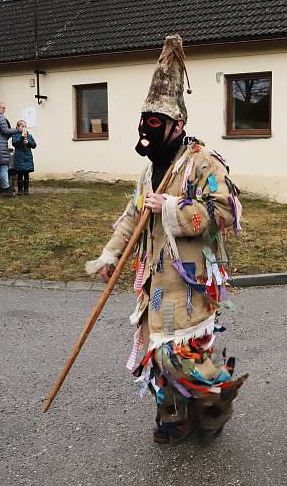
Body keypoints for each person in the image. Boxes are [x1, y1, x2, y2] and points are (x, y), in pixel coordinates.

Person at [86, 34, 246, 445]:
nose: (146, 130)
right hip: (153, 281)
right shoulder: (149, 171)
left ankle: (213, 407)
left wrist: (173, 209)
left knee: (183, 352)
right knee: (157, 349)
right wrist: (110, 254)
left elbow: (225, 211)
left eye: (155, 123)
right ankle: (172, 417)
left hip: (188, 277)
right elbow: (131, 216)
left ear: (178, 125)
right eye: (143, 122)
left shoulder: (201, 162)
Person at [11, 120, 36, 196]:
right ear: (18, 127)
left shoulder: (29, 135)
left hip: (27, 157)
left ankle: (26, 189)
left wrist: (28, 142)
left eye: (25, 126)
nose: (24, 128)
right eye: (22, 126)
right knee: (20, 174)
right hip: (19, 157)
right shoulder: (15, 135)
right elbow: (14, 143)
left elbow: (34, 145)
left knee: (26, 174)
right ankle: (20, 190)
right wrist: (21, 137)